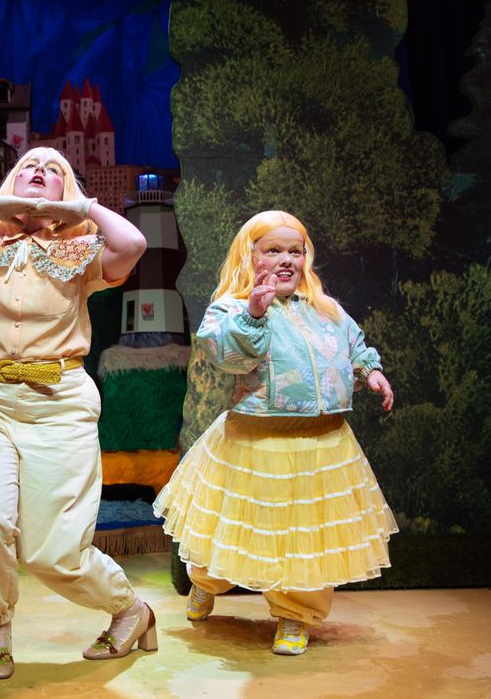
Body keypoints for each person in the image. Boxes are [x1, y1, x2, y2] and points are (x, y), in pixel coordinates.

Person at [0, 147, 155, 680]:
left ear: (67, 191)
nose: (40, 171)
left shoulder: (80, 250)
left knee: (53, 554)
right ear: (11, 183)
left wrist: (80, 209)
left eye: (54, 170)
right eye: (29, 167)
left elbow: (132, 245)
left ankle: (131, 609)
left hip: (59, 403)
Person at [154, 210, 396, 656]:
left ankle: (295, 615)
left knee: (308, 540)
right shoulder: (232, 308)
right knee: (237, 531)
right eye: (273, 250)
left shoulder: (325, 308)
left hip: (323, 442)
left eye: (295, 251)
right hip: (259, 441)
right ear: (250, 256)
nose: (287, 260)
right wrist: (254, 313)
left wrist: (370, 371)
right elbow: (227, 356)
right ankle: (205, 582)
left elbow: (354, 344)